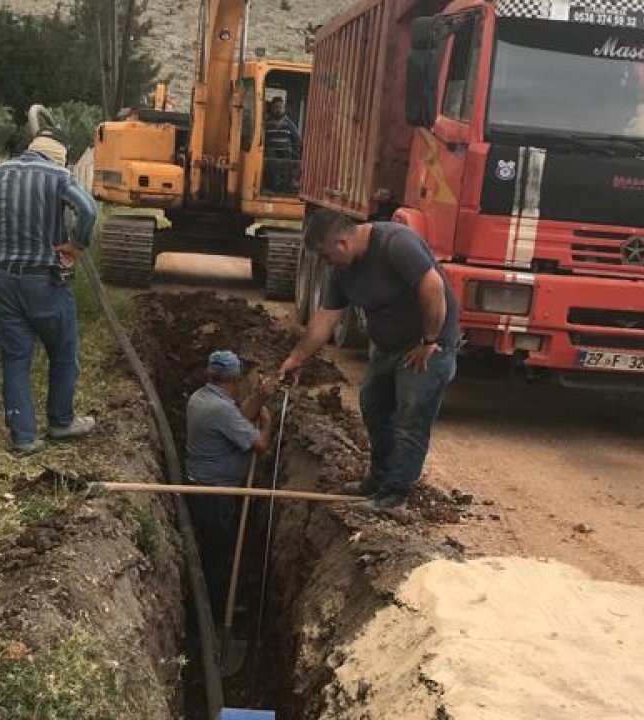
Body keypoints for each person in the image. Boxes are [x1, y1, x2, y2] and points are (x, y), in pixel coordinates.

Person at [279, 209, 459, 511]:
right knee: (374, 406)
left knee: (410, 416)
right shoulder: (343, 271)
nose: (326, 263)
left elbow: (433, 286)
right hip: (387, 346)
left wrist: (430, 340)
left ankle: (394, 494)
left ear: (342, 243)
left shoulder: (396, 243)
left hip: (426, 347)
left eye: (326, 256)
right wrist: (296, 357)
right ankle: (377, 480)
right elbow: (326, 318)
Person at [0, 130, 98, 457]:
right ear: (59, 156)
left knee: (15, 358)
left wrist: (4, 256)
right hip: (45, 281)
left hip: (3, 279)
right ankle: (61, 422)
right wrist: (77, 244)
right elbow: (88, 211)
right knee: (63, 351)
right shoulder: (59, 175)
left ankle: (24, 438)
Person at [185, 350, 275, 621]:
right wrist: (266, 425)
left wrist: (259, 397)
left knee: (214, 549)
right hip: (216, 494)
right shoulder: (221, 409)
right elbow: (260, 446)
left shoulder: (201, 397)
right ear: (234, 380)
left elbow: (238, 418)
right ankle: (215, 612)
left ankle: (210, 607)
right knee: (219, 555)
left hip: (203, 488)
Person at [263, 96, 302, 193]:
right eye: (275, 107)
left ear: (284, 108)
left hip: (285, 153)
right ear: (271, 109)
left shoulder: (289, 124)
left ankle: (289, 185)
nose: (278, 110)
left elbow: (297, 139)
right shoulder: (266, 123)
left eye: (280, 107)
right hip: (270, 155)